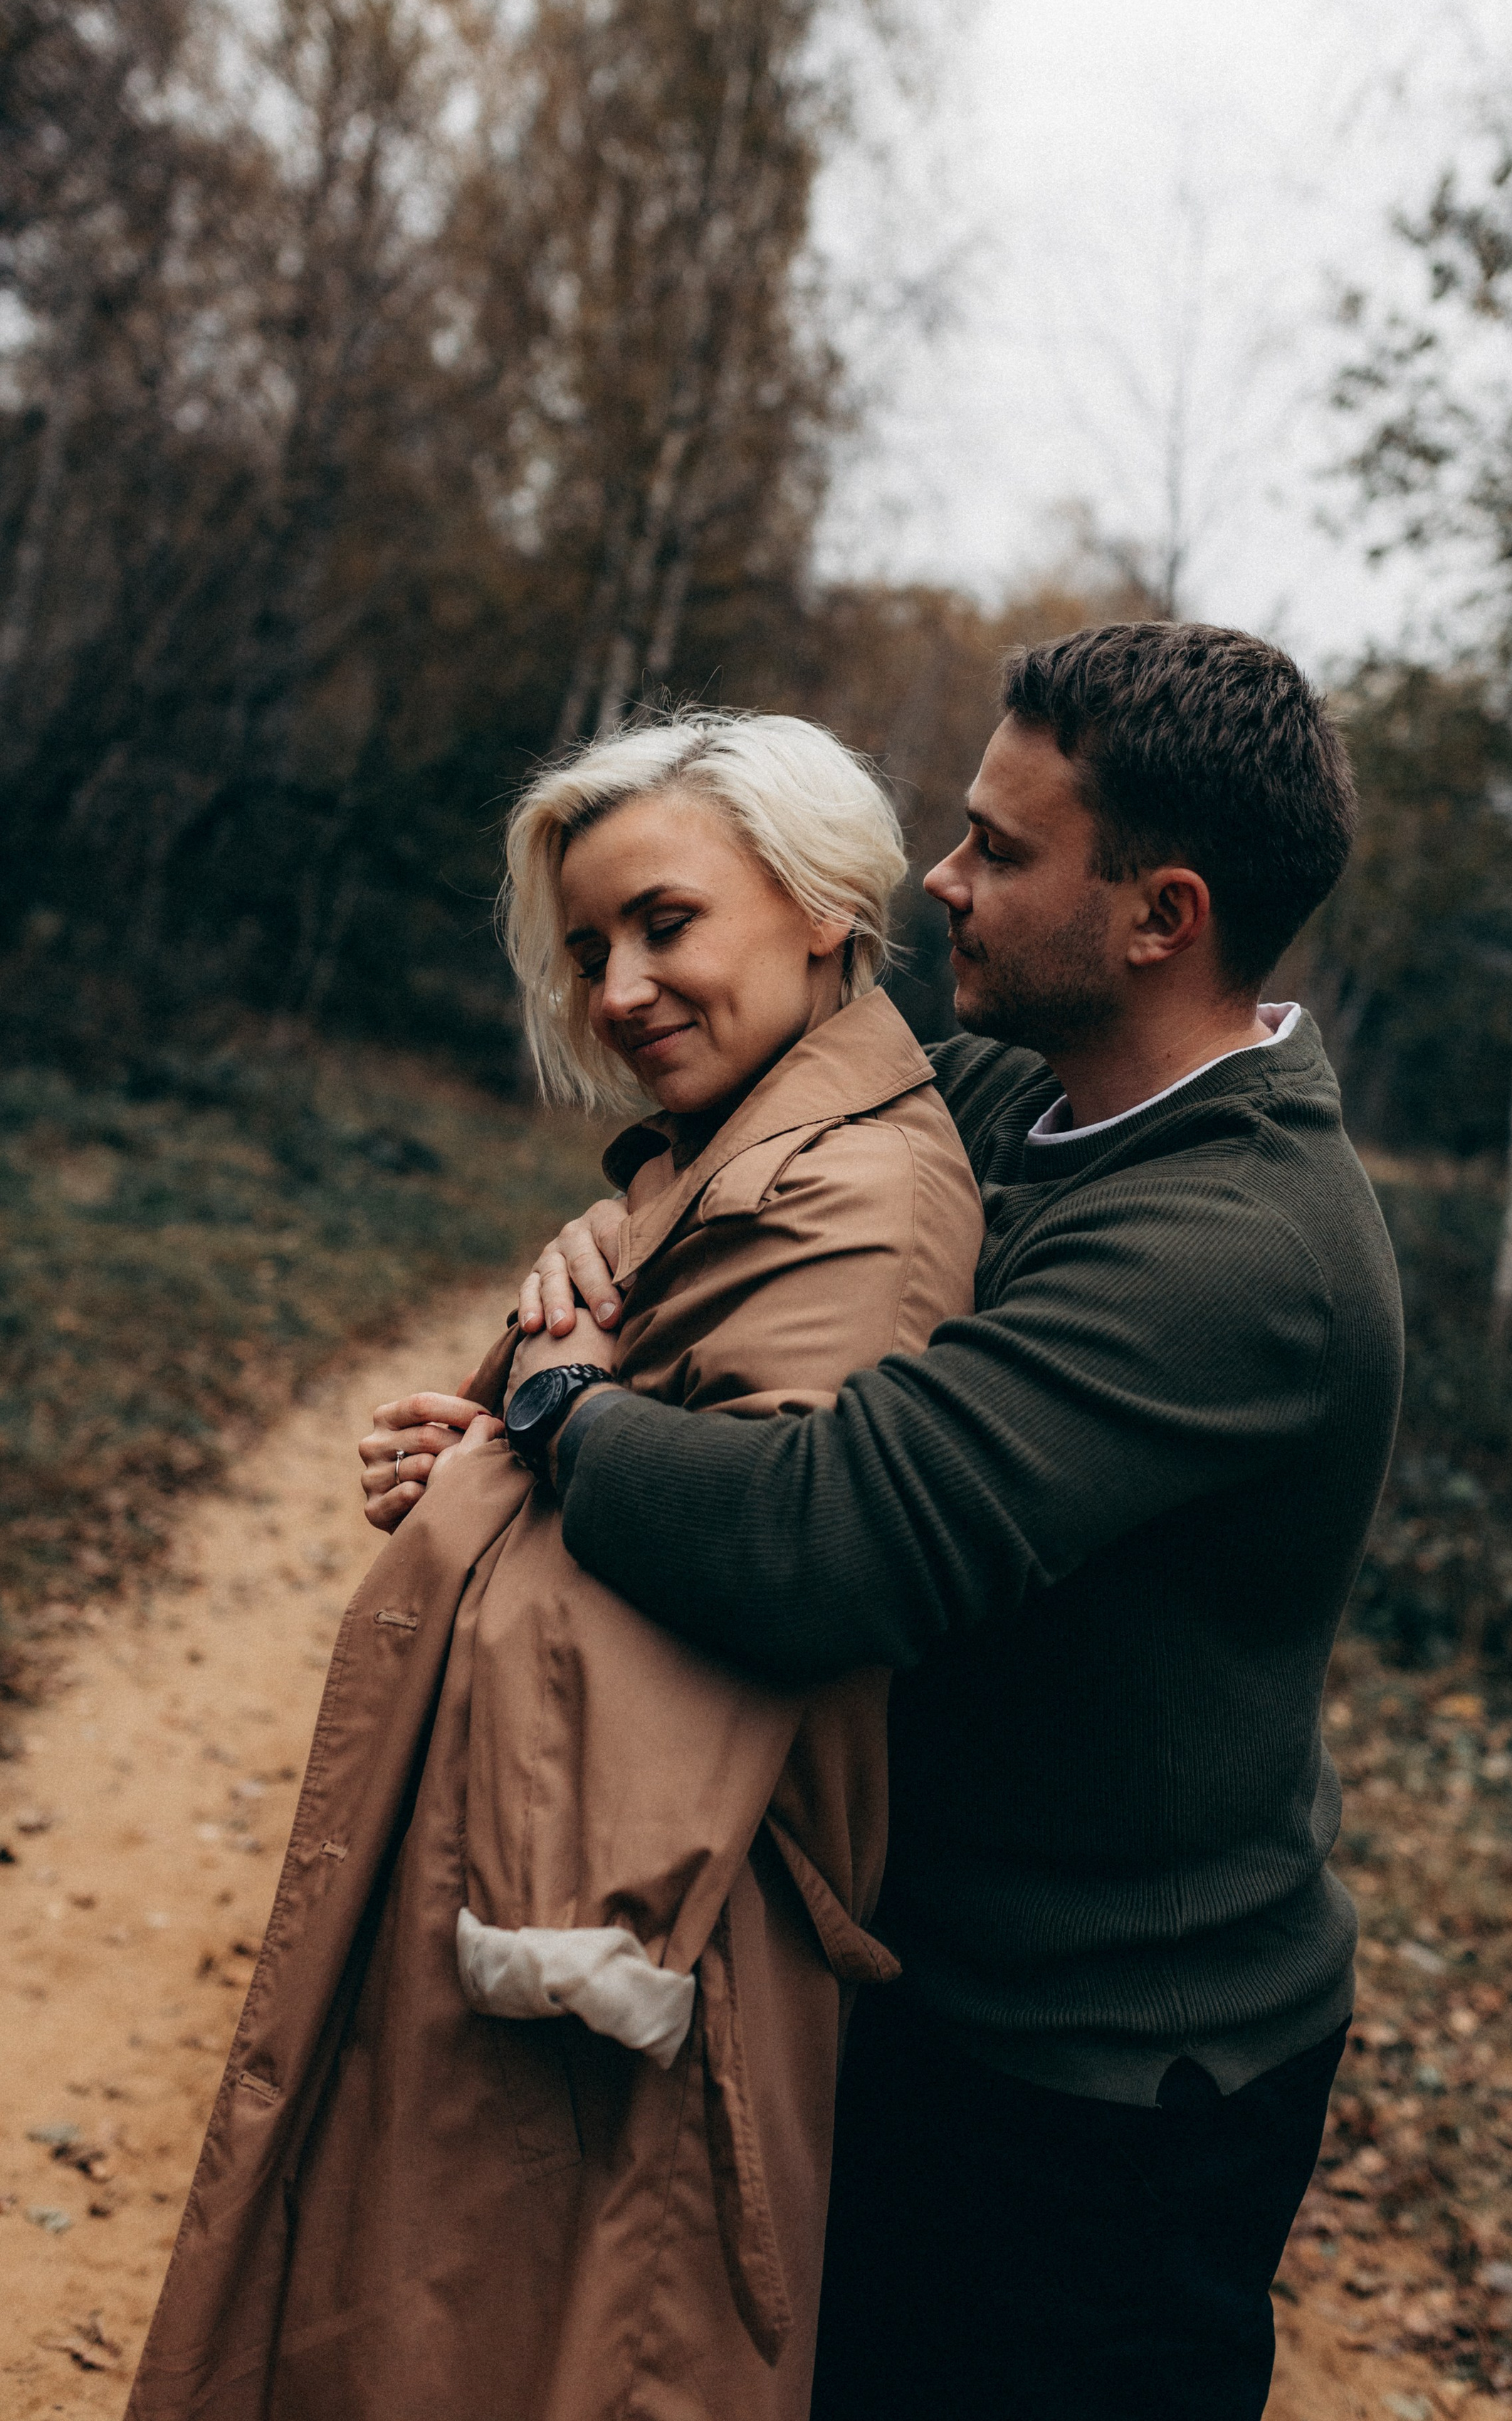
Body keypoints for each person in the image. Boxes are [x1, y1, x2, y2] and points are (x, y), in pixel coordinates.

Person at [501, 621, 1405, 2421]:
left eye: (999, 847)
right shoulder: (1026, 1100)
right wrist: (621, 1230)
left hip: (1105, 2095)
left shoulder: (1242, 1253)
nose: (940, 878)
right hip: (937, 1992)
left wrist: (557, 1411)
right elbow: (775, 1124)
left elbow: (829, 1538)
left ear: (1161, 915)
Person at [125, 713, 981, 2421]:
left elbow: (765, 1580)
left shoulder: (863, 1199)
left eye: (665, 924)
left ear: (821, 906)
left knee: (576, 2362)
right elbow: (602, 1473)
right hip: (549, 1884)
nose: (616, 990)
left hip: (658, 1947)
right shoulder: (715, 1162)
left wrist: (513, 1446)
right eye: (591, 949)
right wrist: (482, 1455)